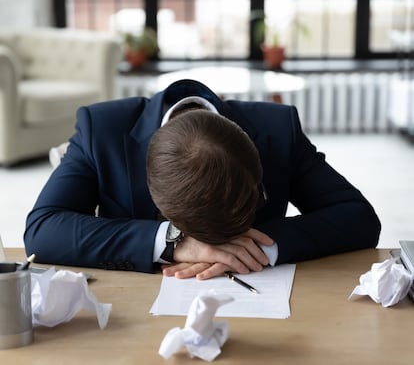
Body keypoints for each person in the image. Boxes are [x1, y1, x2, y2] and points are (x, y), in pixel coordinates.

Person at [24, 79, 381, 280]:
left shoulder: (278, 130)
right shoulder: (101, 129)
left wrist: (257, 247)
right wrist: (174, 242)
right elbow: (42, 229)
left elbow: (359, 218)